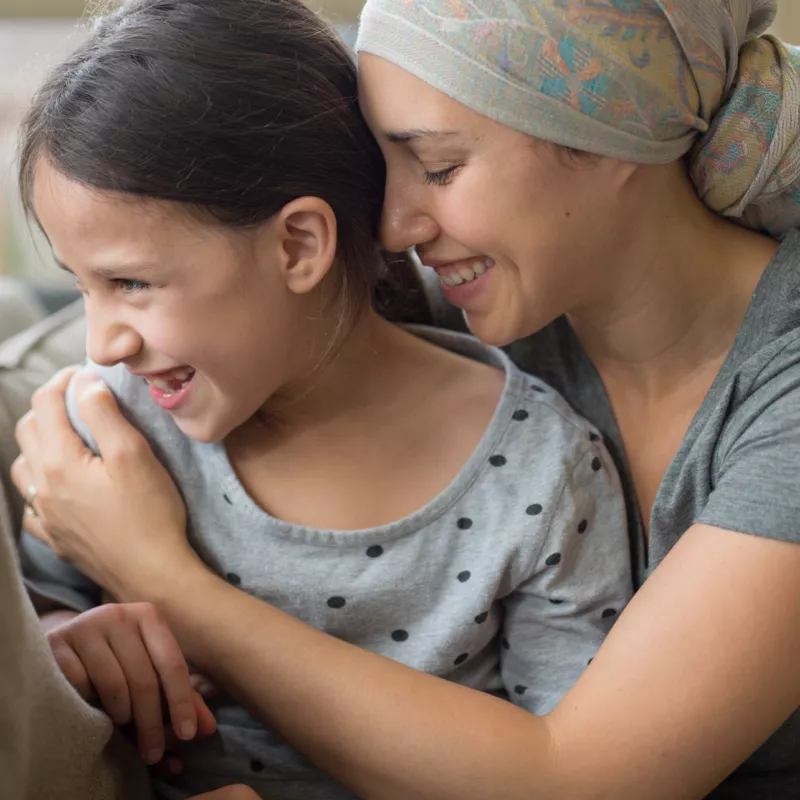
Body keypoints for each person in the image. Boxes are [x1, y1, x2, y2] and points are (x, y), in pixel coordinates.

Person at [11, 0, 800, 797]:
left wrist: (159, 575)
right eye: (386, 166)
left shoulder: (719, 412)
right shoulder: (467, 286)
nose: (390, 228)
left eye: (441, 166)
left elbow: (578, 778)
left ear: (608, 134)